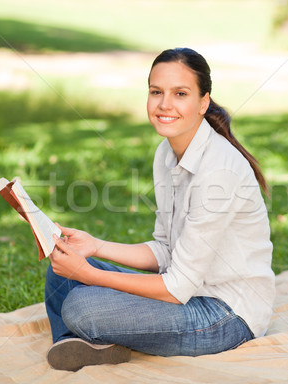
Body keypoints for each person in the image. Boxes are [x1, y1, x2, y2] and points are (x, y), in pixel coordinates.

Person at [44, 47, 275, 371]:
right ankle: (84, 345)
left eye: (180, 93)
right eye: (156, 92)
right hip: (185, 294)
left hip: (226, 316)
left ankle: (85, 333)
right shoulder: (165, 154)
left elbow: (177, 287)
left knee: (82, 305)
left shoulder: (219, 171)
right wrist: (95, 247)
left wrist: (91, 276)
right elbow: (166, 250)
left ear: (203, 102)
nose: (165, 104)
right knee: (61, 275)